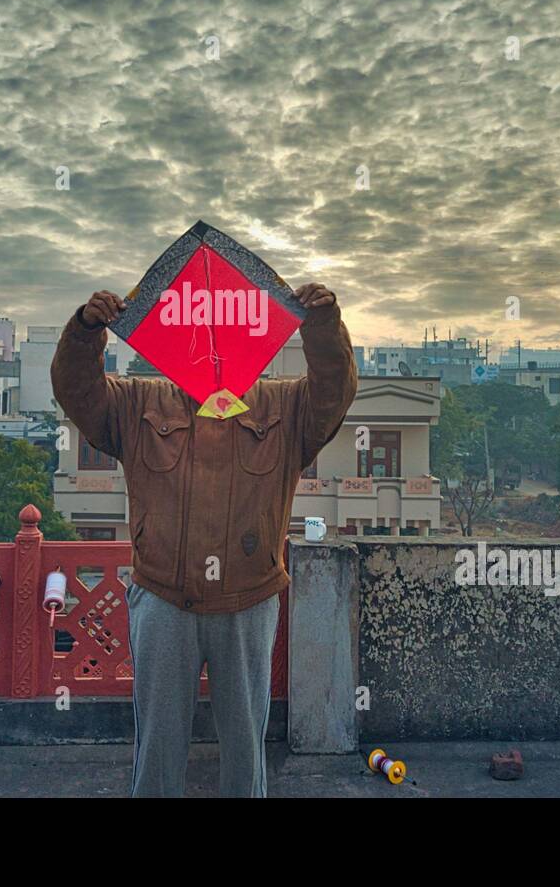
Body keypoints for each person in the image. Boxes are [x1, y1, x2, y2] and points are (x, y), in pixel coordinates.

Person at [51, 283, 357, 797]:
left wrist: (322, 325)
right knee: (158, 748)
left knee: (244, 749)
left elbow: (334, 390)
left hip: (248, 601)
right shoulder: (139, 401)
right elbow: (77, 391)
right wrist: (86, 330)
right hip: (164, 601)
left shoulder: (283, 406)